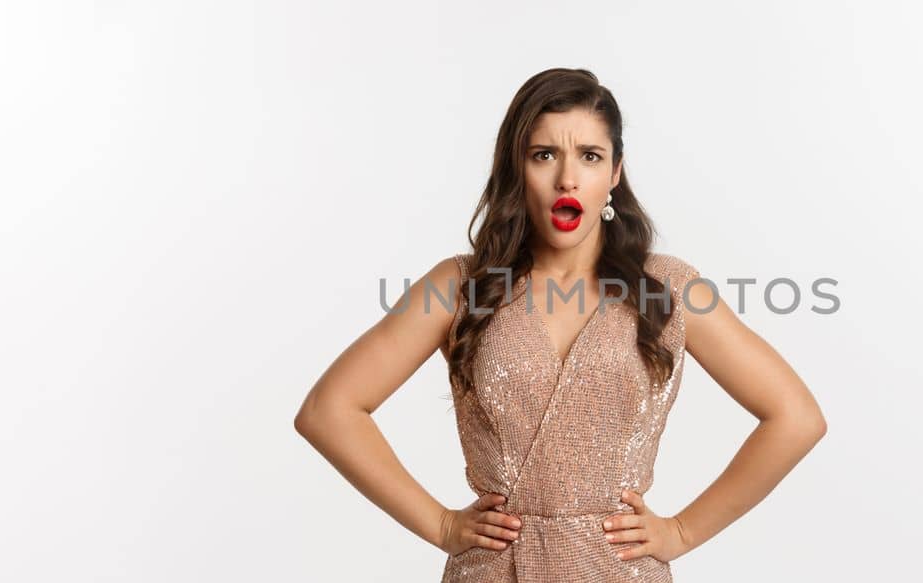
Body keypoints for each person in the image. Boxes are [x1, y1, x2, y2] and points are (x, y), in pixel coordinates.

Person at [294, 67, 827, 582]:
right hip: (494, 570)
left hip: (620, 571)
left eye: (590, 156)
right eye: (544, 154)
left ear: (615, 173)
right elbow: (328, 410)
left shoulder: (667, 289)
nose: (567, 178)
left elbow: (795, 417)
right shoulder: (461, 286)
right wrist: (440, 524)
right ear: (515, 167)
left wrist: (682, 532)